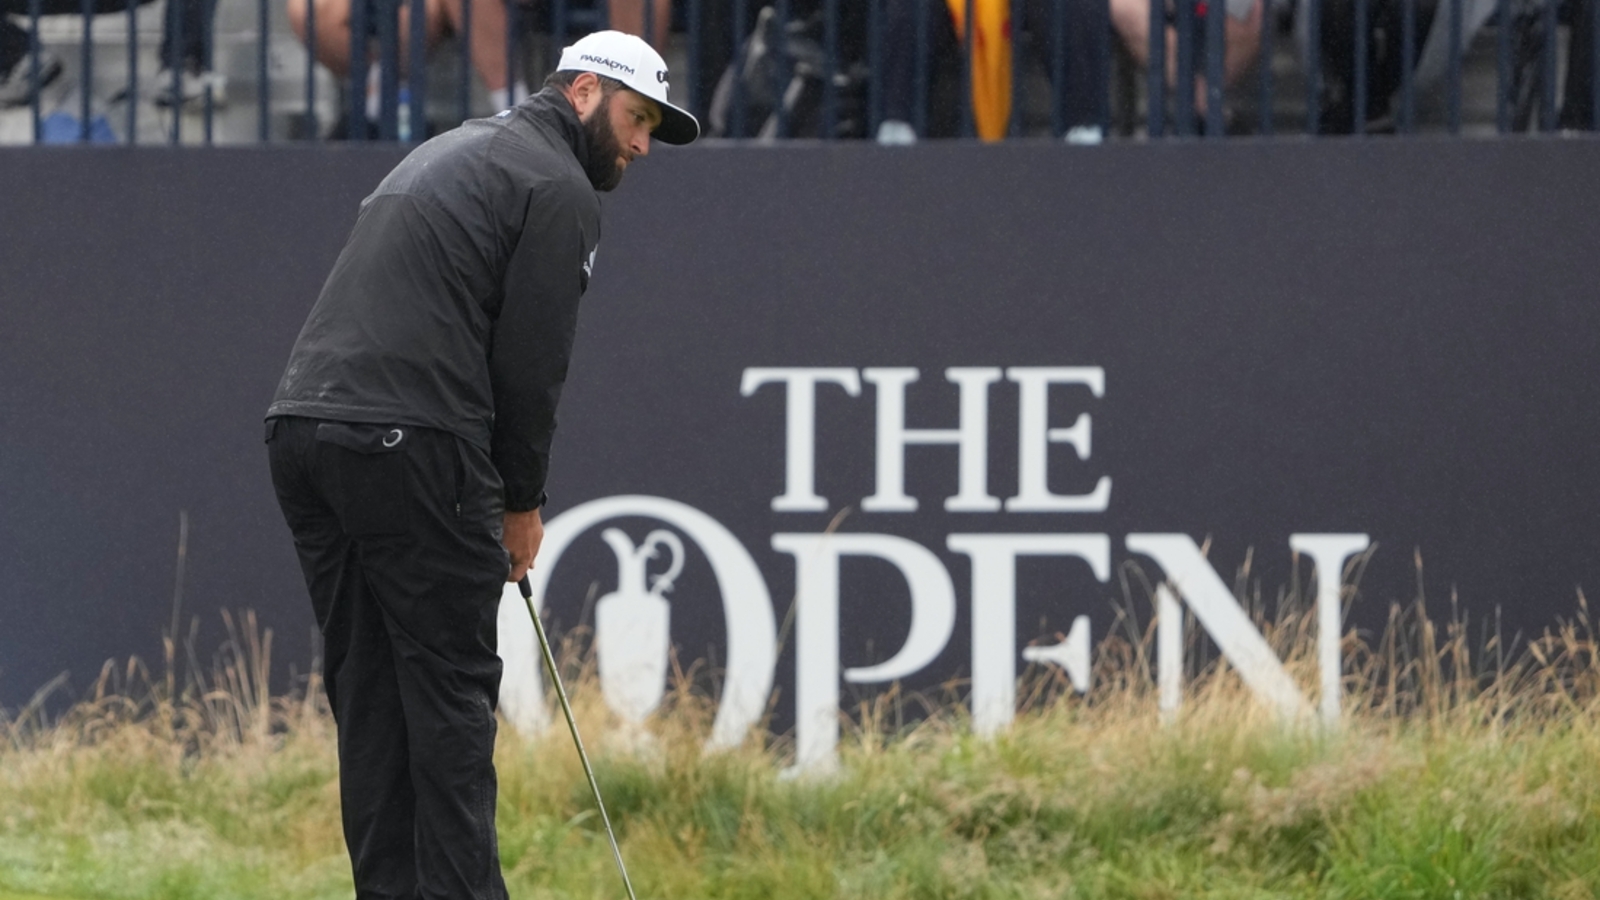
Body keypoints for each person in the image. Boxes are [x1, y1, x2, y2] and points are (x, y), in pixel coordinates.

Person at [263, 29, 697, 898]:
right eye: (635, 118)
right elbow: (530, 366)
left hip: (302, 432)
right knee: (450, 706)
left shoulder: (453, 148)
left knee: (373, 699)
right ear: (582, 94)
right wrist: (521, 504)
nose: (642, 144)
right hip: (412, 443)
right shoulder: (559, 185)